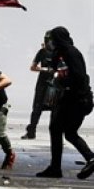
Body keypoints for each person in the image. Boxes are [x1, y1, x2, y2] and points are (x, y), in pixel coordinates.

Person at [36, 26, 94, 179]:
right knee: (67, 132)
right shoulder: (62, 53)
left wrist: (61, 80)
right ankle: (89, 158)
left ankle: (56, 168)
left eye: (53, 40)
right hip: (72, 99)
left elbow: (79, 77)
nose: (51, 43)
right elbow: (58, 68)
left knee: (57, 129)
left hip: (76, 99)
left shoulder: (70, 53)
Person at [22, 31, 55, 140]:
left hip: (55, 84)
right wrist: (44, 69)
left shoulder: (60, 52)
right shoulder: (42, 52)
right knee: (37, 108)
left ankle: (55, 134)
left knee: (55, 110)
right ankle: (31, 132)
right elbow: (33, 67)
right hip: (42, 84)